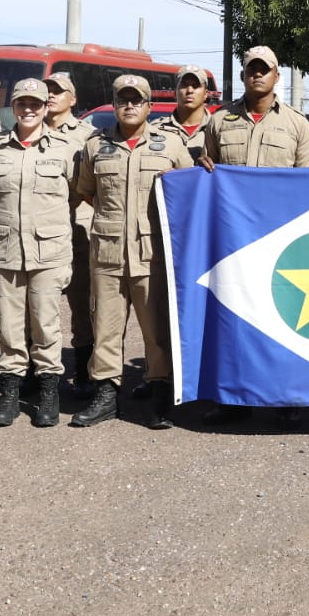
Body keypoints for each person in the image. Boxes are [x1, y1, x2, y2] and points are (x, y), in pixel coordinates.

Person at [199, 45, 309, 426]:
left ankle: (286, 396)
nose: (257, 75)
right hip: (233, 240)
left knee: (284, 319)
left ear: (277, 76)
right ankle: (233, 397)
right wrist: (202, 168)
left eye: (265, 70)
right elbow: (208, 172)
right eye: (251, 69)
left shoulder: (297, 125)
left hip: (282, 238)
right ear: (244, 73)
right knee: (234, 319)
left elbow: (308, 187)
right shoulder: (219, 122)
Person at [70, 75, 193, 429]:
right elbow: (88, 192)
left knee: (156, 330)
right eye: (122, 100)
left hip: (151, 254)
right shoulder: (96, 147)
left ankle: (159, 395)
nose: (129, 106)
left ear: (149, 107)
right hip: (107, 253)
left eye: (136, 100)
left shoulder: (169, 146)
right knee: (105, 329)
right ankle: (107, 395)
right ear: (114, 104)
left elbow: (188, 192)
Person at [0, 78, 80, 428]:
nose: (29, 109)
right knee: (9, 329)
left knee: (46, 326)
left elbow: (76, 192)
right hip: (5, 253)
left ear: (45, 107)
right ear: (14, 108)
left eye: (36, 103)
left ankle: (49, 394)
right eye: (22, 103)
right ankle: (10, 395)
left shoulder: (64, 149)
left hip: (49, 253)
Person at [45, 72, 98, 395]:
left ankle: (84, 370)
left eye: (58, 91)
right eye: (48, 90)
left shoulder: (89, 136)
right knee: (40, 305)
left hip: (77, 229)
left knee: (82, 304)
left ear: (73, 99)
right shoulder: (28, 129)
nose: (51, 96)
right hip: (40, 233)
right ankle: (39, 372)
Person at [157, 64, 213, 163]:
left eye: (195, 86)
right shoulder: (156, 130)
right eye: (184, 85)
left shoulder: (218, 129)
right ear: (175, 92)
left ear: (205, 94)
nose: (189, 91)